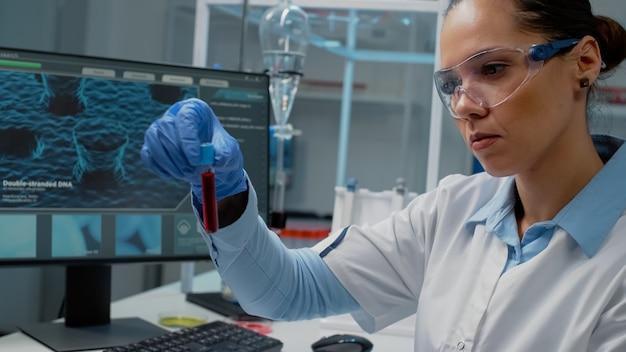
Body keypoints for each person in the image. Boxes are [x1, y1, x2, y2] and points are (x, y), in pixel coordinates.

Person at [141, 0, 626, 350]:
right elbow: (284, 291)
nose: (463, 105)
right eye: (451, 84)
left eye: (494, 68)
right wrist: (225, 192)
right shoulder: (452, 211)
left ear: (583, 62)